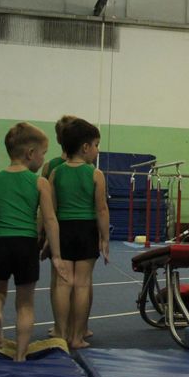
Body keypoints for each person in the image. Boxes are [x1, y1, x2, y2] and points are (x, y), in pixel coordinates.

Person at [0, 122, 67, 362]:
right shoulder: (39, 183)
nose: (43, 159)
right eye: (43, 154)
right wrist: (56, 255)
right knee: (25, 304)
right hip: (26, 244)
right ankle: (20, 355)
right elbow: (50, 220)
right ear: (30, 154)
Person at [49, 117, 110, 349]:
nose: (97, 150)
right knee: (82, 284)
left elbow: (51, 211)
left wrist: (49, 240)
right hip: (86, 230)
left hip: (63, 229)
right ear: (85, 147)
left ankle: (60, 335)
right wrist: (104, 238)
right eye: (96, 145)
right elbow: (101, 209)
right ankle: (76, 337)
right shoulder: (95, 174)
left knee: (63, 284)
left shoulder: (56, 173)